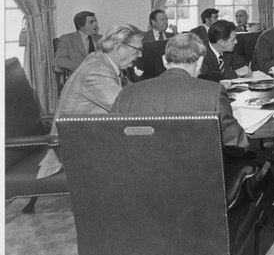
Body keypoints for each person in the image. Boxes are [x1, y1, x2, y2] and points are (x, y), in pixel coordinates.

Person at [112, 32, 249, 154]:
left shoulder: (127, 93)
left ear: (165, 61)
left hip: (142, 176)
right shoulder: (213, 92)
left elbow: (112, 140)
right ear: (200, 61)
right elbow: (238, 142)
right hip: (199, 178)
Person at [38, 23, 144, 178]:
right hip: (75, 148)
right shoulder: (97, 72)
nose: (140, 55)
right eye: (138, 50)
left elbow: (130, 91)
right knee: (148, 148)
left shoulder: (100, 59)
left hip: (87, 136)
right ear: (120, 48)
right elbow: (125, 108)